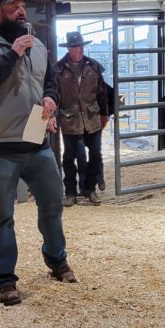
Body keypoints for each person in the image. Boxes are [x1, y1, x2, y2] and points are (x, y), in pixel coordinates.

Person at [0, 0, 75, 306]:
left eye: (22, 5)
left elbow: (49, 80)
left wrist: (52, 98)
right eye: (13, 6)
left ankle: (57, 261)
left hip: (37, 141)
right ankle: (6, 280)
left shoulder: (38, 46)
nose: (21, 10)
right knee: (2, 216)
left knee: (53, 205)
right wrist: (12, 54)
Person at [55, 31, 108, 207]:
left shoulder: (94, 67)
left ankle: (90, 188)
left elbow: (102, 93)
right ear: (68, 48)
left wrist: (105, 113)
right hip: (69, 119)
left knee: (95, 154)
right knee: (69, 157)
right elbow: (54, 95)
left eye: (80, 47)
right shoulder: (58, 69)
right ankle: (70, 192)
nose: (78, 50)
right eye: (74, 47)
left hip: (92, 117)